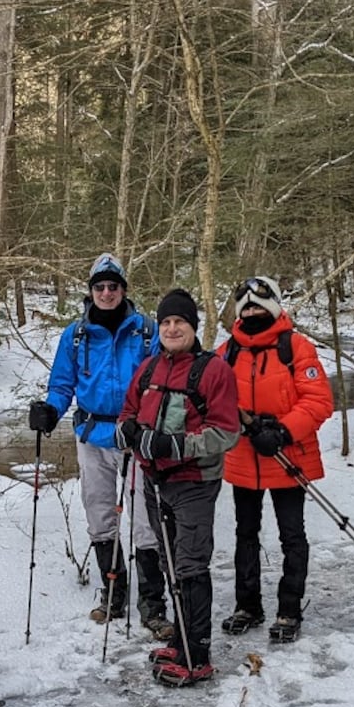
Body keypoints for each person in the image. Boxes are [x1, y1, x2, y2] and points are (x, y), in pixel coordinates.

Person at [28, 253, 170, 636]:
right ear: (91, 292)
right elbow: (62, 385)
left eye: (113, 286)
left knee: (144, 522)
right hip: (92, 436)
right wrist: (50, 410)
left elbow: (161, 382)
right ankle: (113, 591)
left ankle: (153, 604)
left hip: (136, 438)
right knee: (100, 515)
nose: (106, 292)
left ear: (123, 289)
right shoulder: (75, 335)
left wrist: (148, 425)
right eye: (99, 286)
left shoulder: (146, 330)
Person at [116, 289, 240, 686]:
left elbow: (226, 431)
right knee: (170, 561)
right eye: (166, 322)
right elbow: (129, 410)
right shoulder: (150, 368)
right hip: (154, 481)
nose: (172, 328)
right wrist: (127, 432)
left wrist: (176, 444)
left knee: (190, 564)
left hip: (194, 482)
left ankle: (197, 655)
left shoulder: (213, 370)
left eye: (180, 323)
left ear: (192, 328)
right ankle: (183, 640)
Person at [215, 276, 334, 643]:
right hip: (243, 457)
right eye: (245, 306)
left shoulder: (296, 348)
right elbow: (212, 401)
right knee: (245, 533)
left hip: (287, 455)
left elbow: (318, 401)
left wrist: (282, 431)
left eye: (258, 306)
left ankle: (289, 609)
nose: (251, 311)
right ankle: (247, 605)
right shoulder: (226, 353)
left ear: (273, 308)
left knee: (291, 534)